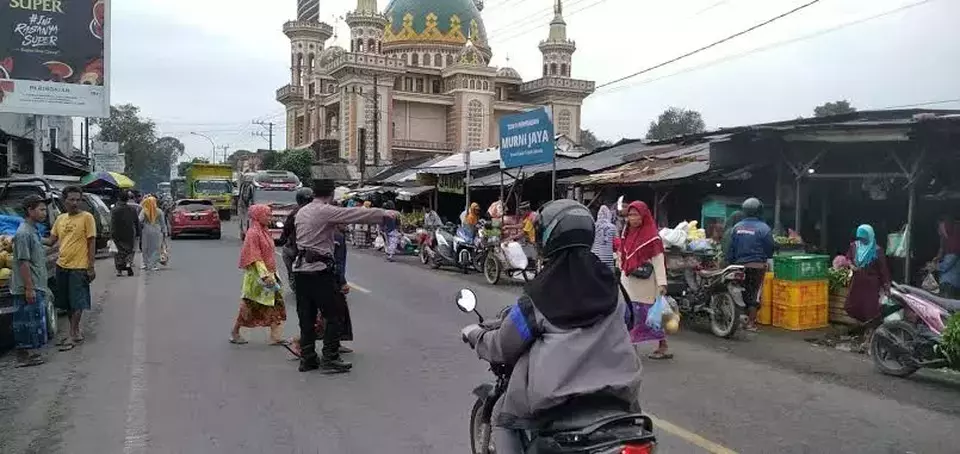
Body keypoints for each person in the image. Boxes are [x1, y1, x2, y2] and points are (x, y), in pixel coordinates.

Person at [461, 199, 641, 453]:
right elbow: (628, 321)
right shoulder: (612, 286)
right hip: (620, 397)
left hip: (558, 403)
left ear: (548, 240)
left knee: (505, 415)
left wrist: (476, 335)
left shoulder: (538, 298)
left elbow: (504, 345)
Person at [293, 179, 398, 373]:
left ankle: (307, 358)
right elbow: (353, 214)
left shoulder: (303, 211)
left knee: (306, 317)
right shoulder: (324, 210)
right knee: (334, 315)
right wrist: (383, 213)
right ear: (331, 194)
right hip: (319, 270)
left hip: (301, 270)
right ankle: (330, 358)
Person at [616, 201, 671, 359]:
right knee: (629, 315)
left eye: (636, 215)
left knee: (647, 317)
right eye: (630, 215)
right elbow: (623, 254)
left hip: (646, 284)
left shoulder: (652, 237)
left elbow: (658, 260)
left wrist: (662, 283)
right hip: (628, 281)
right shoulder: (627, 232)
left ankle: (661, 345)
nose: (633, 218)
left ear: (644, 215)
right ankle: (631, 346)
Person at [231, 204, 288, 345]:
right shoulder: (253, 233)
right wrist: (265, 275)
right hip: (257, 277)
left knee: (276, 303)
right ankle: (235, 332)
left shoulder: (264, 231)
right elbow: (255, 257)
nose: (270, 218)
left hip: (270, 273)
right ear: (258, 216)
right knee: (249, 306)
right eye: (267, 215)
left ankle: (276, 336)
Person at [48, 186, 97, 351]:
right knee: (67, 302)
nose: (75, 203)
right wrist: (28, 236)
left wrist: (90, 267)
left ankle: (72, 333)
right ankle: (75, 331)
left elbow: (91, 243)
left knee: (78, 301)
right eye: (72, 199)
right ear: (64, 200)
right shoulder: (60, 219)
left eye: (78, 200)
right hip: (62, 265)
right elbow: (51, 241)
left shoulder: (87, 217)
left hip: (80, 266)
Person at [10, 195, 50, 367]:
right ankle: (23, 356)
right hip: (27, 285)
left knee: (33, 320)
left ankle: (30, 354)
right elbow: (23, 262)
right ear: (30, 210)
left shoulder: (33, 230)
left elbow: (40, 251)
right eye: (41, 209)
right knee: (25, 322)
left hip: (35, 283)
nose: (45, 212)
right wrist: (29, 288)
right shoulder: (23, 233)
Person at [727, 198, 774, 332]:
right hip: (757, 266)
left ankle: (739, 318)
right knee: (754, 294)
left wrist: (731, 262)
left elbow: (731, 248)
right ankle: (750, 323)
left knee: (740, 291)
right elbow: (770, 248)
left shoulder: (737, 227)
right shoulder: (764, 228)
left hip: (738, 266)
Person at [844, 224, 891, 322]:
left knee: (869, 308)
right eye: (860, 238)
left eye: (864, 238)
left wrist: (886, 286)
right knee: (852, 305)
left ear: (870, 236)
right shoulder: (854, 246)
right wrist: (851, 266)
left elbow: (883, 270)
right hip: (857, 282)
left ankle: (870, 329)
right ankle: (861, 324)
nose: (862, 241)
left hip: (871, 284)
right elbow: (848, 258)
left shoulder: (877, 250)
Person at [279, 187, 314, 292]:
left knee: (286, 253)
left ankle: (292, 276)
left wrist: (282, 239)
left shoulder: (295, 213)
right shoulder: (319, 210)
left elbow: (286, 229)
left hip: (298, 246)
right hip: (317, 246)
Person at [110, 190, 140, 277]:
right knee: (128, 251)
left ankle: (119, 271)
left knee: (118, 253)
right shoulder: (132, 209)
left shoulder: (114, 210)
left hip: (117, 233)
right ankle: (128, 264)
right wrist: (138, 233)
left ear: (119, 199)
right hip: (129, 233)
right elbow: (136, 222)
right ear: (127, 199)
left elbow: (112, 223)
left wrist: (111, 235)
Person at [139, 196, 167, 272]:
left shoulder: (144, 211)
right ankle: (154, 265)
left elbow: (140, 220)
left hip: (146, 230)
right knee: (155, 248)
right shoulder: (159, 211)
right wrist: (164, 232)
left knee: (145, 247)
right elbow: (163, 223)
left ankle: (145, 263)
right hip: (157, 231)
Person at [935, 215, 960, 298]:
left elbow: (947, 264)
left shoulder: (954, 243)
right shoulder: (948, 242)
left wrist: (935, 266)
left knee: (947, 309)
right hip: (949, 282)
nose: (940, 230)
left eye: (941, 227)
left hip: (950, 283)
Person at [591, 205, 616, 270]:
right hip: (607, 257)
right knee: (608, 275)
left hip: (594, 256)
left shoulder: (593, 226)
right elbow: (616, 242)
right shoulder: (612, 227)